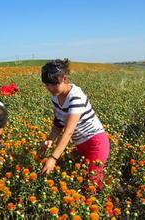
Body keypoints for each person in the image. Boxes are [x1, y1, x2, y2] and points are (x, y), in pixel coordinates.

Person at [40, 59, 110, 190]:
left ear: (64, 79)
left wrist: (53, 158)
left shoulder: (75, 96)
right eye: (47, 85)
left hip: (95, 142)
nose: (50, 88)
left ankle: (107, 210)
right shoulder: (56, 97)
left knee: (92, 184)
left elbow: (68, 132)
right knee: (84, 182)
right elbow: (58, 123)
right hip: (81, 144)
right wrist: (50, 139)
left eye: (54, 84)